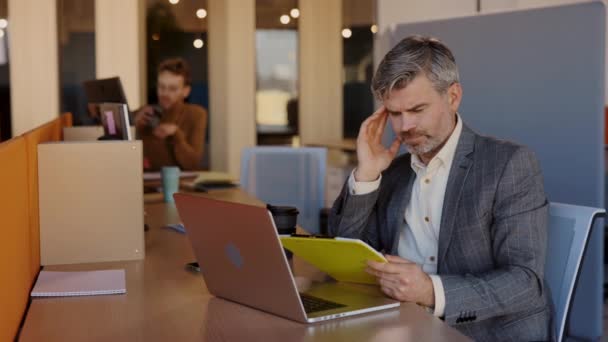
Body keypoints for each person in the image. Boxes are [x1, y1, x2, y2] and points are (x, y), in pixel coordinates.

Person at [329, 35, 551, 341]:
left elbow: (525, 283)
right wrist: (366, 174)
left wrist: (430, 291)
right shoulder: (392, 172)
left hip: (481, 331)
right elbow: (346, 258)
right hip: (399, 324)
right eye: (394, 113)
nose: (405, 126)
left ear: (453, 96)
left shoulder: (508, 165)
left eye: (417, 109)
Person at [134, 57, 207, 171]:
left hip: (181, 185)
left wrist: (176, 135)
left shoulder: (196, 114)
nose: (165, 93)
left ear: (186, 91)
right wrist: (134, 127)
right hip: (146, 185)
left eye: (172, 89)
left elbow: (193, 164)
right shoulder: (144, 114)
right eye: (161, 87)